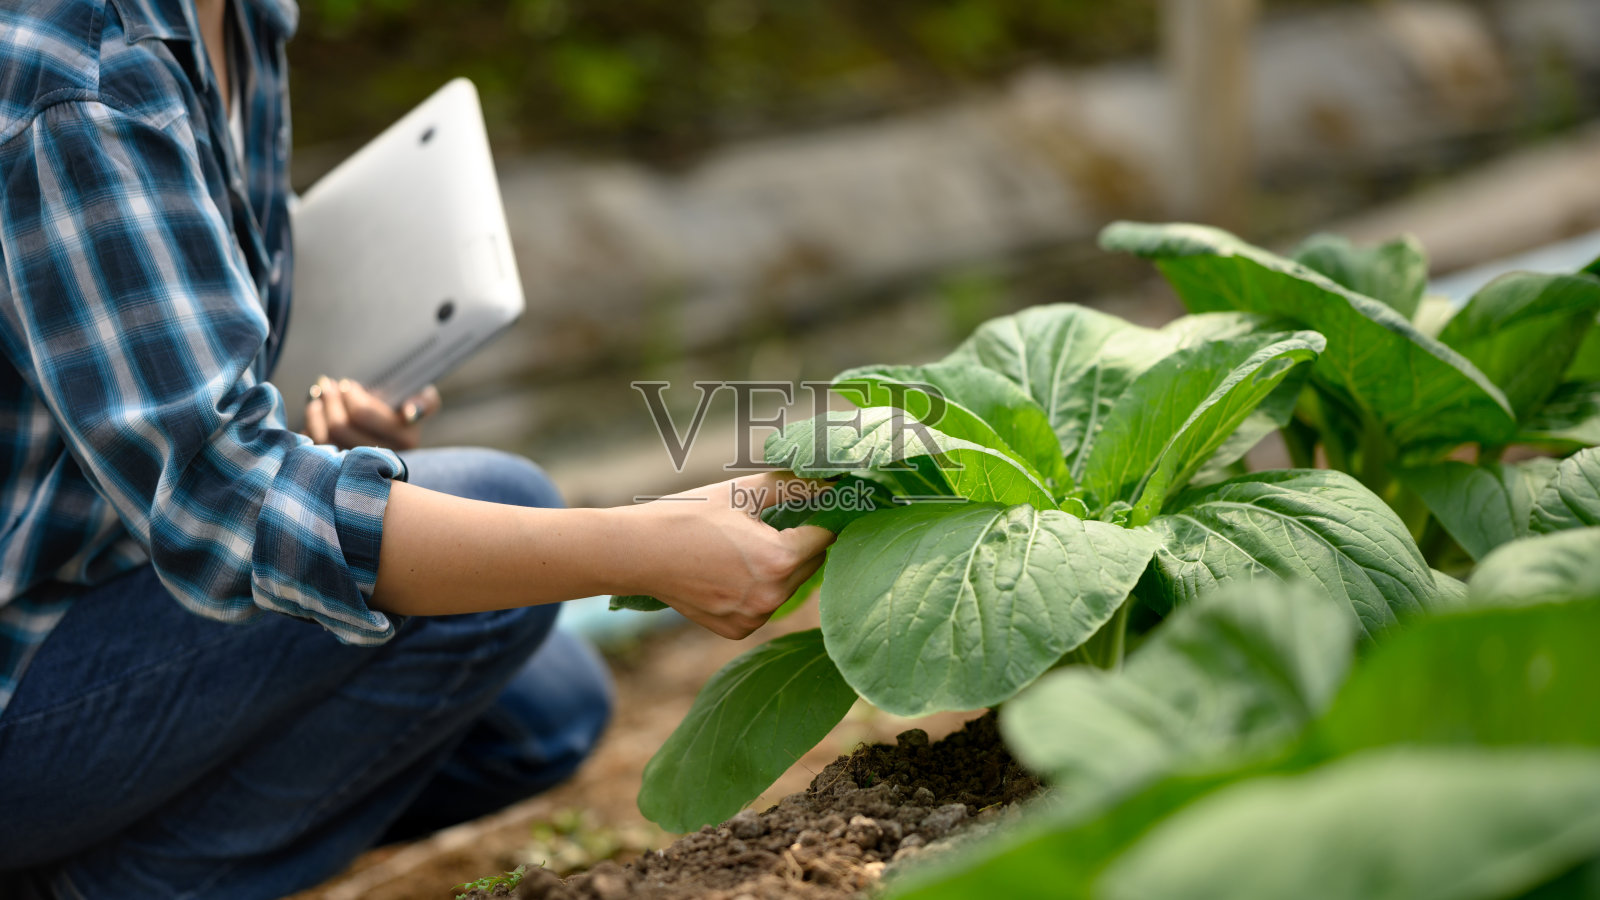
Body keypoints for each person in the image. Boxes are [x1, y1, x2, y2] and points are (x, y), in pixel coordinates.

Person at [0, 1, 834, 897]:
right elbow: (225, 500)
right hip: (26, 657)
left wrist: (320, 436)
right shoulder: (76, 82)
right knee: (504, 512)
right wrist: (647, 544)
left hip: (108, 579)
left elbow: (171, 366)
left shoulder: (240, 17)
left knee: (542, 708)